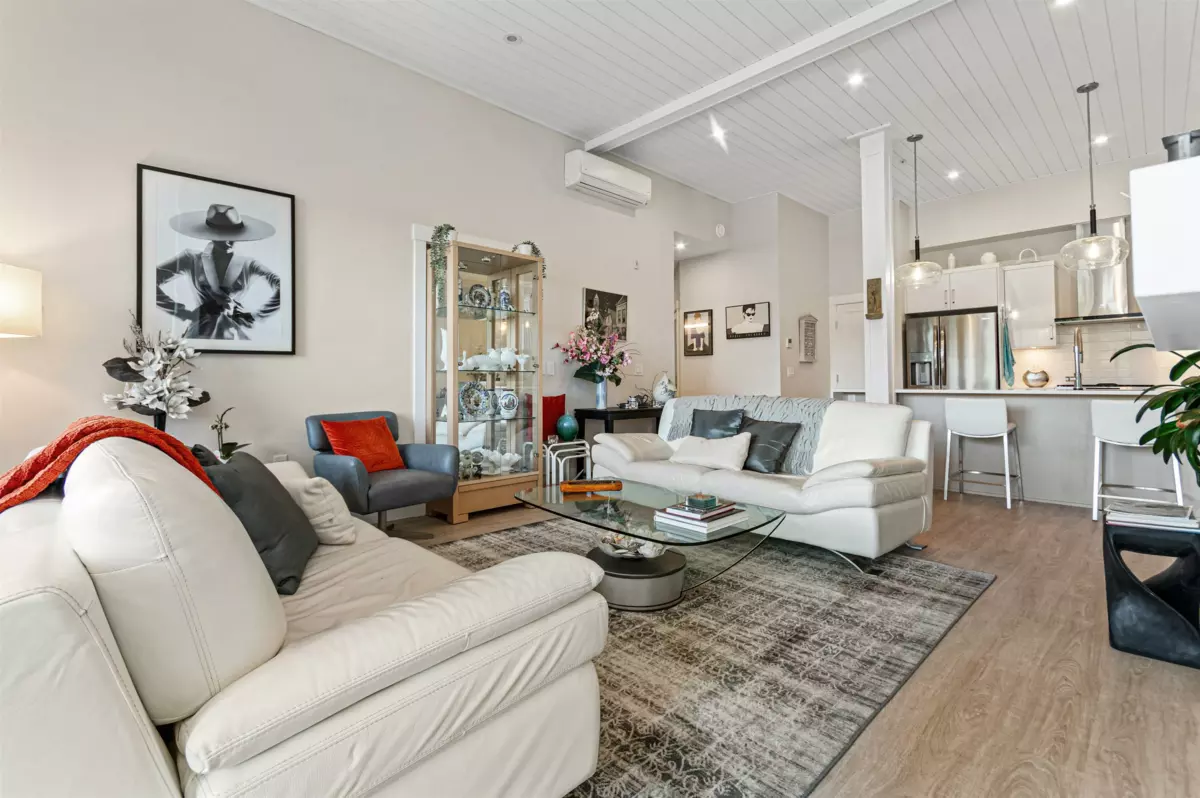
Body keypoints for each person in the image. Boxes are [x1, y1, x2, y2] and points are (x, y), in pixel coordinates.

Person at [155, 204, 281, 341]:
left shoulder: (249, 264)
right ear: (210, 234)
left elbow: (284, 287)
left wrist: (256, 316)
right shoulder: (191, 258)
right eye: (221, 235)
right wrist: (184, 313)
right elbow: (149, 281)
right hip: (199, 336)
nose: (227, 241)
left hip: (237, 338)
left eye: (232, 235)